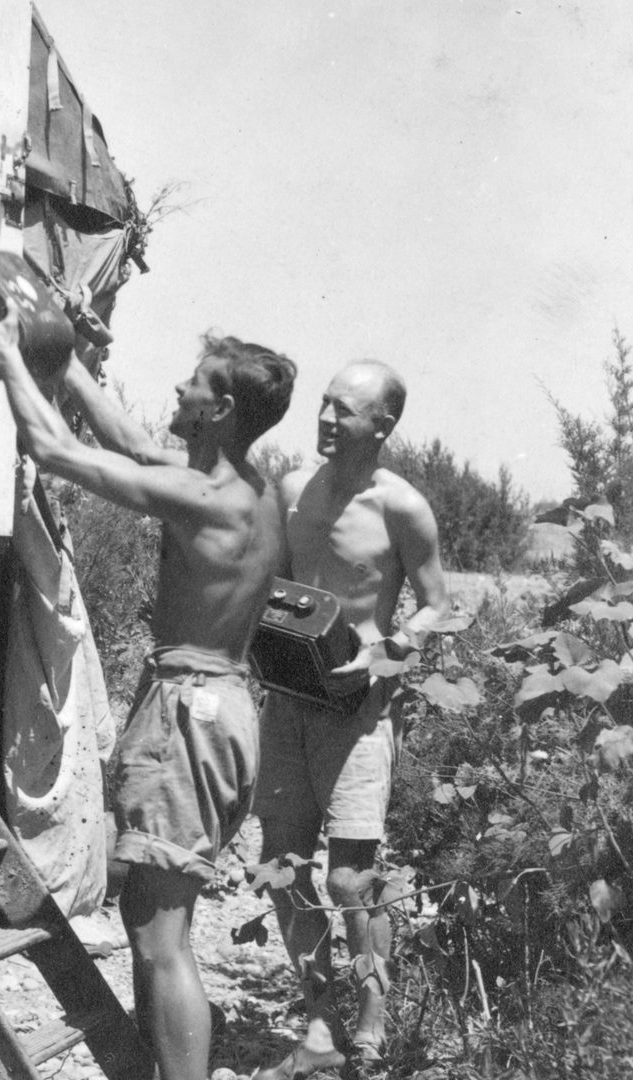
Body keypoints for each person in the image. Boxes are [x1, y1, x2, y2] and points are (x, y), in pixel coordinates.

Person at [0, 309, 296, 1080]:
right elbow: (139, 448)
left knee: (159, 934)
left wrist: (11, 359)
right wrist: (68, 361)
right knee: (151, 917)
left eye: (195, 382)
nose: (178, 386)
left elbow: (53, 449)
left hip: (190, 716)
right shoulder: (247, 488)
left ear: (217, 411)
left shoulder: (204, 496)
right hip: (216, 706)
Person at [251, 360, 449, 1079]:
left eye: (346, 410)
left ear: (383, 426)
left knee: (351, 881)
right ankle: (319, 1023)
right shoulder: (291, 491)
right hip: (286, 703)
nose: (328, 419)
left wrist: (387, 652)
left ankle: (370, 1021)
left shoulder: (402, 507)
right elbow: (266, 581)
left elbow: (437, 603)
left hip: (359, 715)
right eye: (325, 405)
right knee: (283, 868)